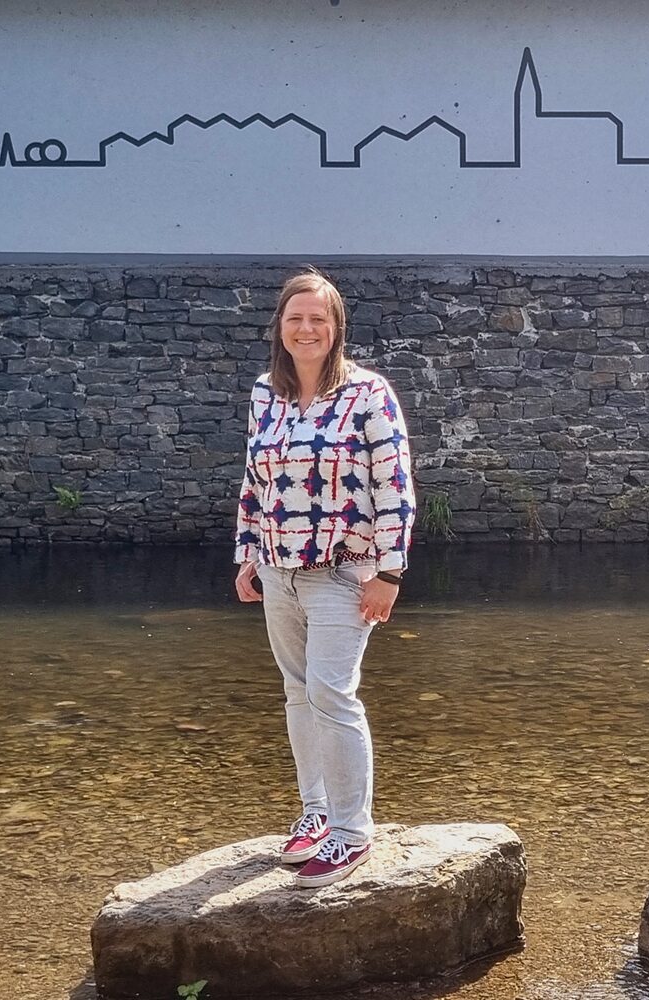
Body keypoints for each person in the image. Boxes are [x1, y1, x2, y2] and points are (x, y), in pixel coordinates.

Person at [233, 270, 415, 888]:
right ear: (279, 328)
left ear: (336, 329)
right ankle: (314, 815)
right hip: (278, 570)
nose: (306, 329)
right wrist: (247, 553)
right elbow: (254, 479)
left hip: (345, 572)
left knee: (332, 695)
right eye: (295, 318)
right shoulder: (266, 393)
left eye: (319, 319)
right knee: (297, 693)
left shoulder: (368, 394)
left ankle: (351, 833)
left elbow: (395, 487)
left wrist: (389, 572)